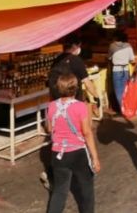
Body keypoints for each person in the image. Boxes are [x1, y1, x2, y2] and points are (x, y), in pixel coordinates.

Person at [46, 73, 101, 213]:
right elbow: (87, 133)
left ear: (58, 88)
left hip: (58, 153)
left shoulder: (51, 106)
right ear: (75, 88)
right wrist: (95, 158)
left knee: (59, 192)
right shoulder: (81, 107)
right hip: (78, 153)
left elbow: (49, 129)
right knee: (87, 190)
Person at [49, 36, 100, 103]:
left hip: (57, 101)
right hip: (73, 101)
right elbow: (87, 82)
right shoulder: (76, 60)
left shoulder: (57, 60)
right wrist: (96, 96)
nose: (79, 48)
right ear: (74, 46)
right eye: (79, 46)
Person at [107, 31, 134, 113]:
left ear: (116, 38)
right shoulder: (128, 46)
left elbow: (109, 57)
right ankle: (127, 108)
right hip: (126, 69)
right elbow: (132, 59)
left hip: (116, 70)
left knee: (118, 91)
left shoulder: (112, 46)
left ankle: (122, 109)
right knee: (126, 89)